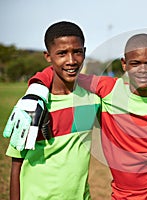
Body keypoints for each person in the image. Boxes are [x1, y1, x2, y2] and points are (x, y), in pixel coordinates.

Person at [23, 33, 147, 199]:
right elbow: (62, 70)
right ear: (124, 64)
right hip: (122, 194)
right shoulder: (109, 89)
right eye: (135, 63)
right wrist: (35, 90)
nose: (143, 70)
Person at [4, 21, 101, 199]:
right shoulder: (31, 107)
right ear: (48, 56)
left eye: (77, 52)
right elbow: (16, 165)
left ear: (85, 52)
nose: (71, 60)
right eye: (62, 53)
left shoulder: (94, 100)